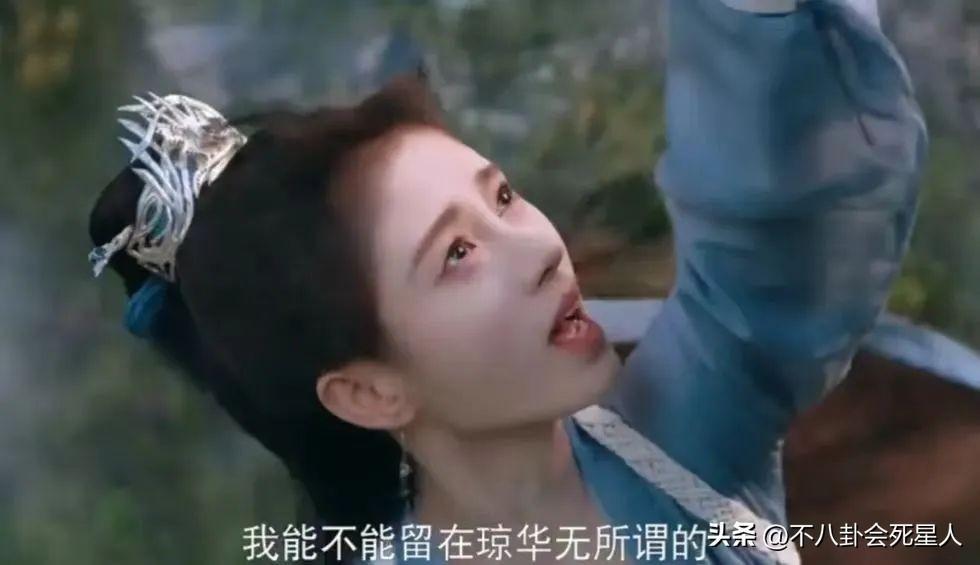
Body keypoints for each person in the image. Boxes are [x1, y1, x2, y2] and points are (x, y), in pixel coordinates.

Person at [88, 0, 931, 563]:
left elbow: (775, 248)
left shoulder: (671, 445)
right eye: (456, 254)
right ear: (369, 391)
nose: (537, 248)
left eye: (502, 197)